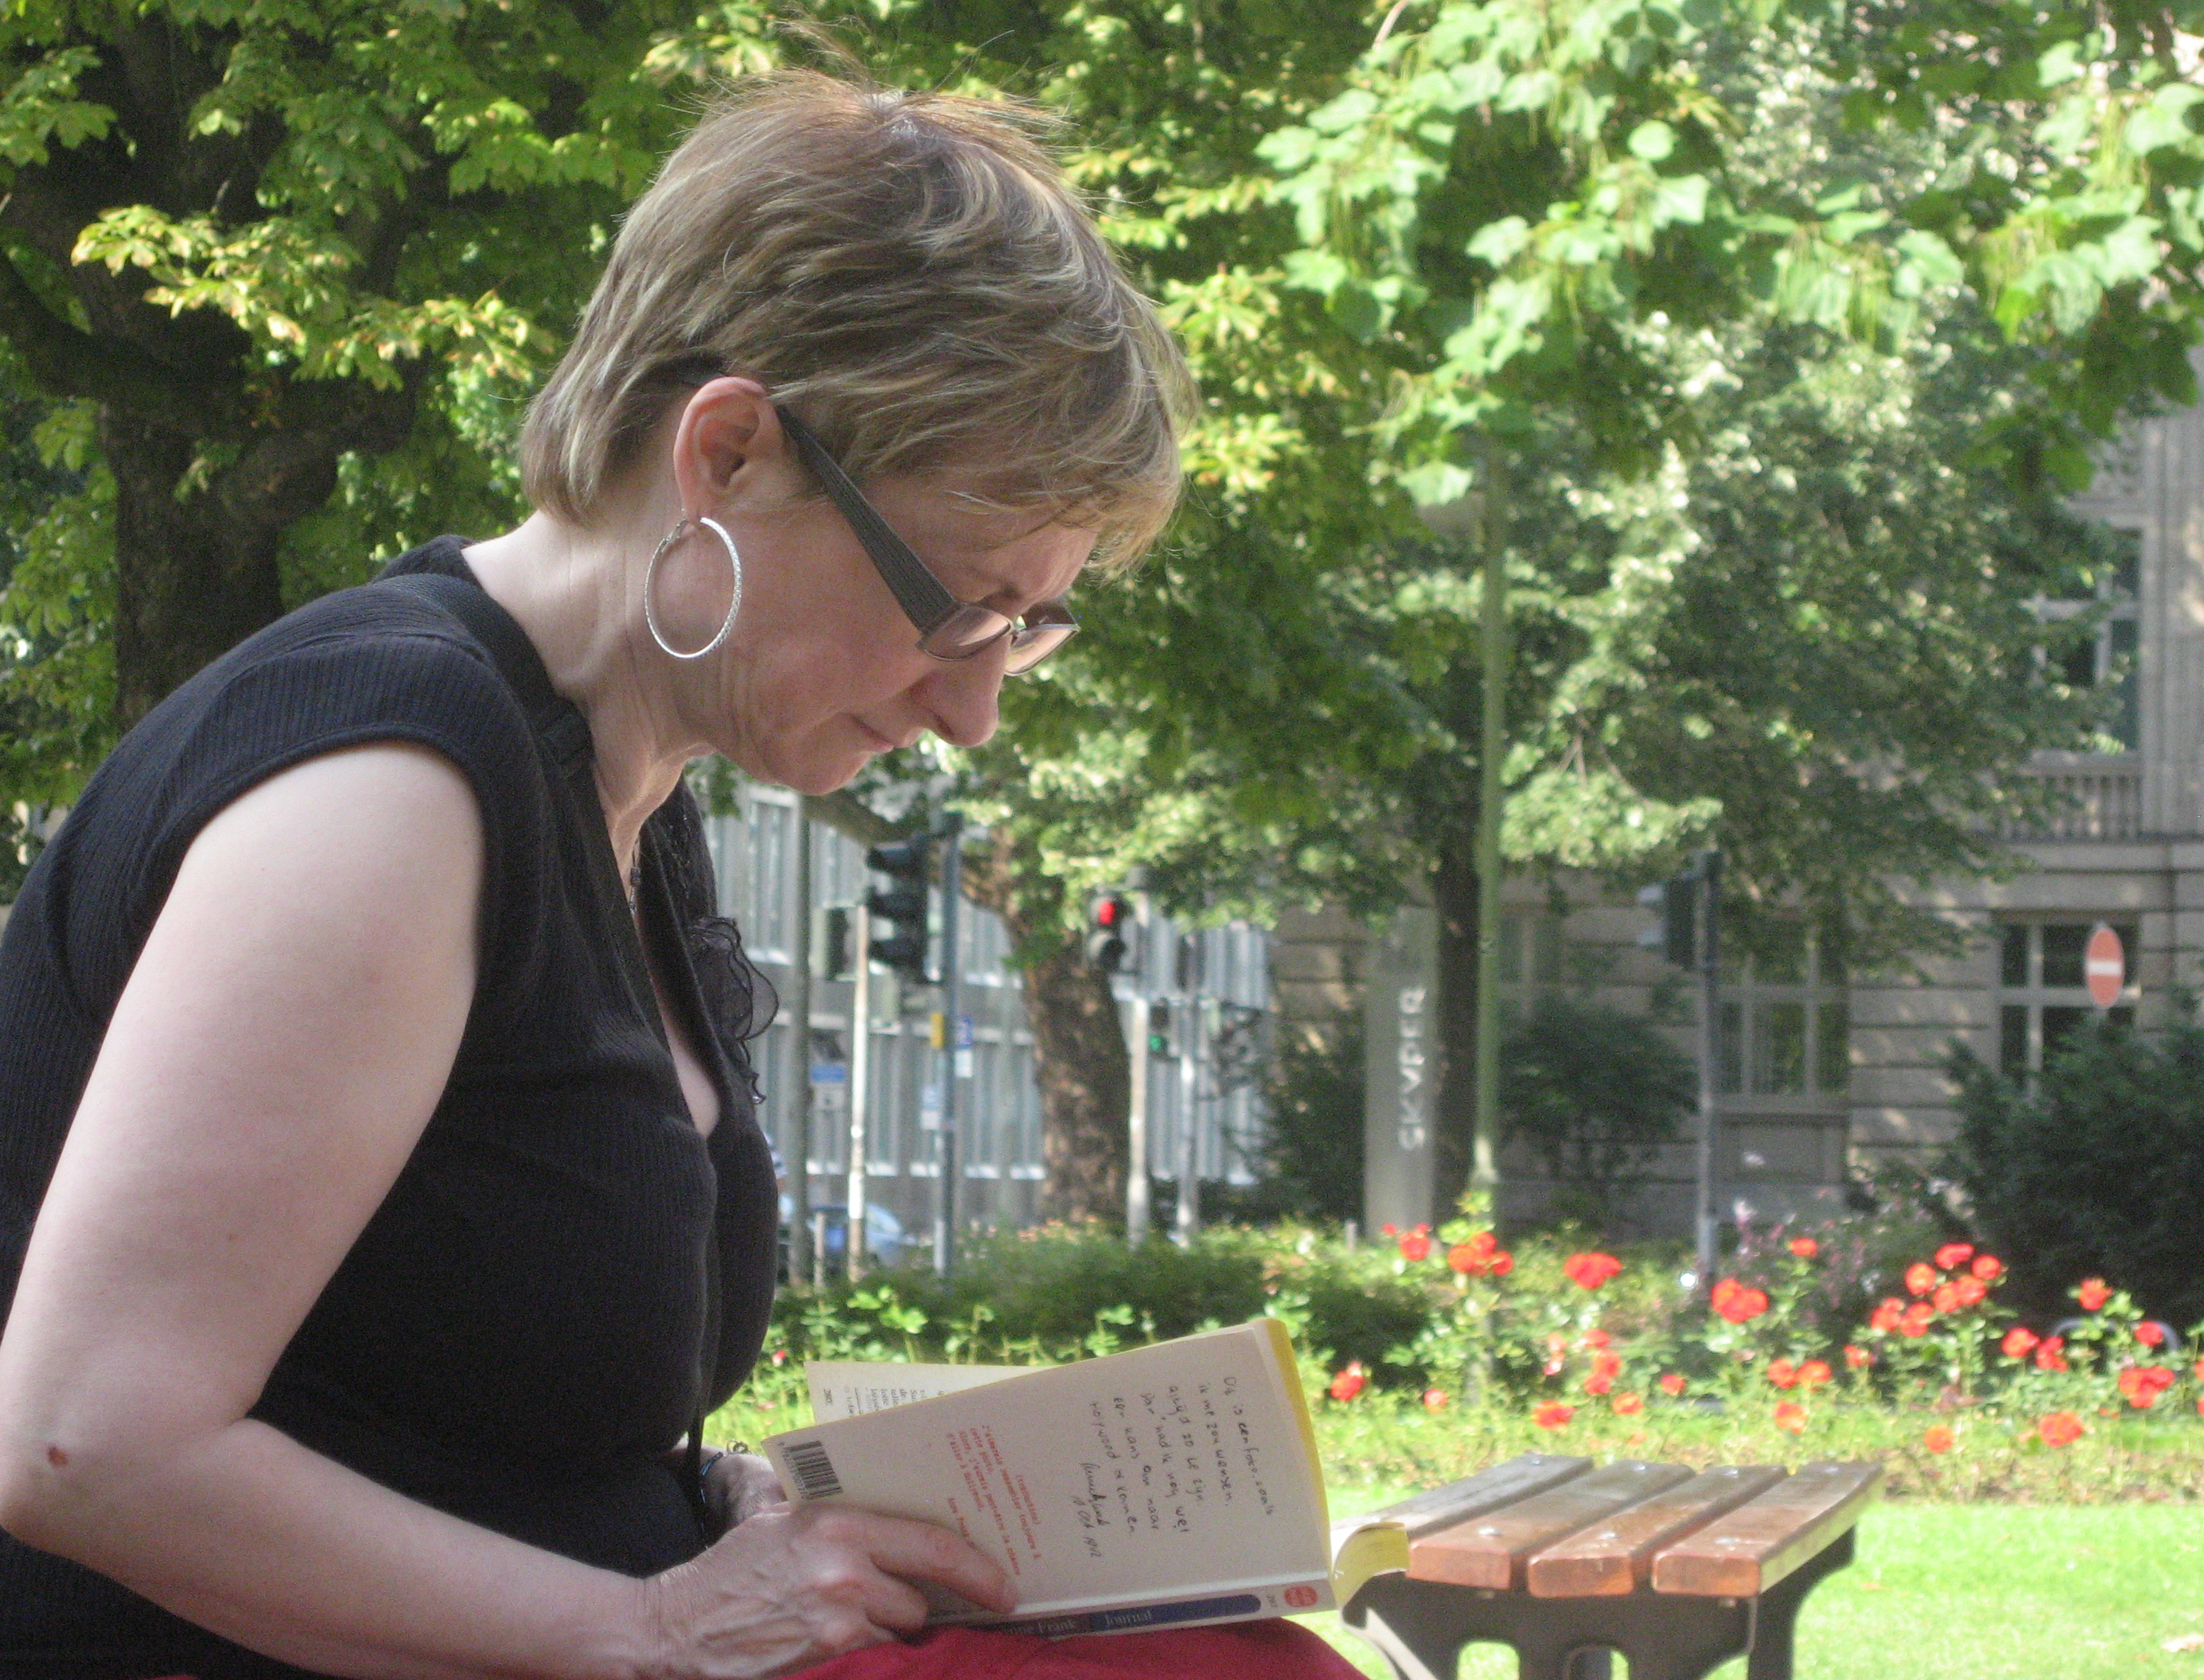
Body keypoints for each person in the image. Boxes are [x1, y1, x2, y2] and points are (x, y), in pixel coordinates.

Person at [0, 68, 1367, 1680]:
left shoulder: (620, 791)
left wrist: (714, 1513)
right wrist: (646, 1625)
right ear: (726, 453)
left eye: (1026, 628)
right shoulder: (385, 787)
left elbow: (440, 1402)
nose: (976, 708)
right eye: (959, 608)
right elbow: (84, 1444)